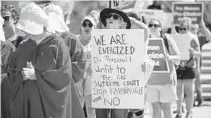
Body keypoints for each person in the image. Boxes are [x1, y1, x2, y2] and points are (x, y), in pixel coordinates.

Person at [6, 2, 84, 118]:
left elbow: (64, 76)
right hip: (27, 106)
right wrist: (20, 76)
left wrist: (37, 75)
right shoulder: (23, 46)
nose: (27, 32)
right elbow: (11, 72)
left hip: (48, 109)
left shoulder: (57, 45)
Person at [96, 8, 147, 118]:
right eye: (108, 17)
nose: (110, 18)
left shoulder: (131, 40)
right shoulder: (99, 38)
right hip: (102, 86)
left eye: (115, 17)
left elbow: (145, 31)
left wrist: (129, 19)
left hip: (122, 87)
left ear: (122, 23)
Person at [145, 19, 181, 118]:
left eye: (155, 25)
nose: (152, 27)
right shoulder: (145, 41)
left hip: (166, 82)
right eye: (150, 25)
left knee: (166, 108)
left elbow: (178, 59)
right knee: (155, 108)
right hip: (151, 82)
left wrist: (170, 57)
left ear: (160, 28)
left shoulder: (167, 39)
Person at [43, 3, 85, 84]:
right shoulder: (43, 40)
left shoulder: (71, 40)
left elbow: (79, 67)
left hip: (66, 88)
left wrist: (57, 76)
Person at [175, 18, 201, 118]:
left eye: (184, 29)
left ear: (188, 28)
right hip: (179, 67)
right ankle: (179, 111)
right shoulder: (176, 38)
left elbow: (199, 54)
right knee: (178, 91)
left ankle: (189, 112)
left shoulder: (193, 38)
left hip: (189, 67)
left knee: (189, 91)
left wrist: (193, 52)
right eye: (180, 29)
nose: (181, 31)